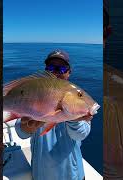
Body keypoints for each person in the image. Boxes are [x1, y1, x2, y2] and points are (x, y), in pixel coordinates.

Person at [15, 50, 92, 180]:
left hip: (72, 176)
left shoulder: (77, 99)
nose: (55, 72)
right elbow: (21, 133)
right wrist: (26, 127)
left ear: (69, 72)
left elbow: (80, 134)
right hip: (41, 175)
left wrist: (72, 118)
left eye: (61, 68)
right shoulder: (34, 92)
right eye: (50, 68)